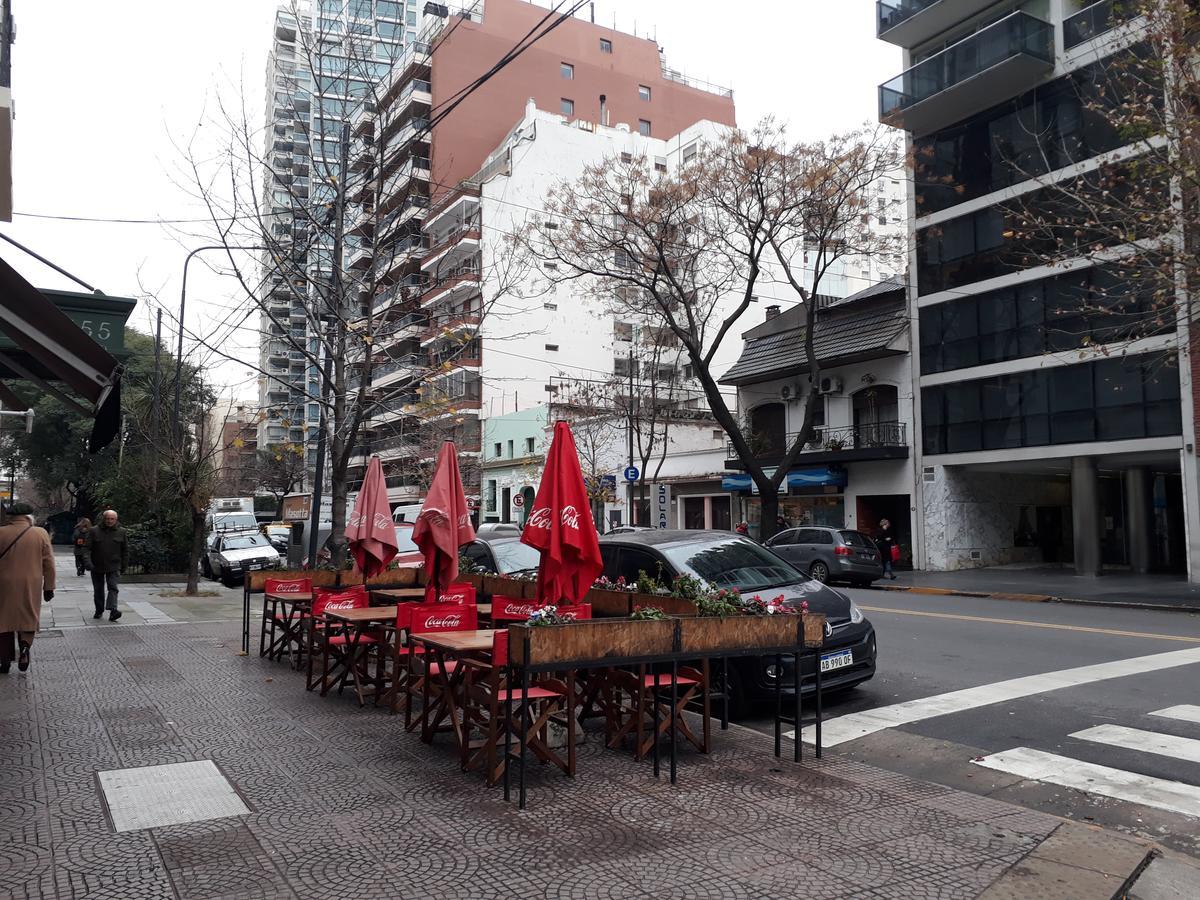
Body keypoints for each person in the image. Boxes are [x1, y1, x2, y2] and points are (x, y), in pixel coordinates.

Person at [0, 502, 56, 674]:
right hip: (31, 583)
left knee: (3, 620)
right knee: (28, 615)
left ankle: (4, 660)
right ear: (29, 517)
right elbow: (49, 563)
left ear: (10, 517)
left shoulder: (1, 532)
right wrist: (49, 587)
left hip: (4, 583)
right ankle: (25, 647)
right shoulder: (40, 533)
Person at [86, 509, 127, 622]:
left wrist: (124, 565)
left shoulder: (122, 532)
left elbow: (125, 551)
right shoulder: (94, 531)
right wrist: (88, 563)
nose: (109, 521)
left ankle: (113, 610)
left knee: (113, 587)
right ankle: (99, 610)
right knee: (98, 589)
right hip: (97, 565)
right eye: (107, 519)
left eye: (112, 519)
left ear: (116, 520)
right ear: (104, 519)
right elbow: (87, 549)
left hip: (114, 565)